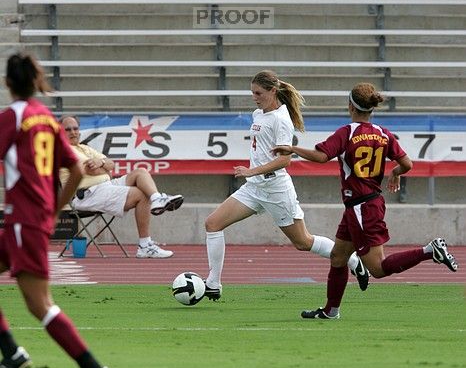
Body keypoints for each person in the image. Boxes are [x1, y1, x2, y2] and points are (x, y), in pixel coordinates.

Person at [273, 82, 458, 319]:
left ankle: (430, 251)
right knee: (338, 257)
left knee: (378, 268)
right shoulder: (382, 133)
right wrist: (394, 173)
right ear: (370, 108)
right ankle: (331, 311)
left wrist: (293, 149)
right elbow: (407, 164)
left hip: (362, 206)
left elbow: (321, 156)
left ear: (350, 105)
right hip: (362, 205)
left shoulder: (347, 132)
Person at [0, 53, 113, 368]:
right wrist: (54, 210)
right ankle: (11, 354)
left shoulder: (13, 117)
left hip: (22, 220)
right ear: (35, 82)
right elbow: (77, 169)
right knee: (39, 302)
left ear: (7, 83)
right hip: (29, 220)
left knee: (40, 305)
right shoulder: (46, 120)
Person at [203, 70, 369, 300]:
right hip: (254, 188)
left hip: (275, 189)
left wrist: (251, 170)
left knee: (303, 242)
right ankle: (213, 283)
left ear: (273, 91)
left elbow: (284, 160)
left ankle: (353, 260)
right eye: (252, 92)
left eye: (258, 92)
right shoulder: (258, 114)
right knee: (212, 223)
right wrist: (253, 174)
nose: (254, 97)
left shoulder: (281, 120)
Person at [60, 115, 183, 259]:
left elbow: (111, 164)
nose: (73, 132)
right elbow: (90, 171)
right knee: (141, 194)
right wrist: (103, 166)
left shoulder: (84, 148)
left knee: (140, 172)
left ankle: (157, 199)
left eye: (75, 128)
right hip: (87, 194)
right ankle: (145, 245)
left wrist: (101, 164)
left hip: (106, 185)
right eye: (68, 129)